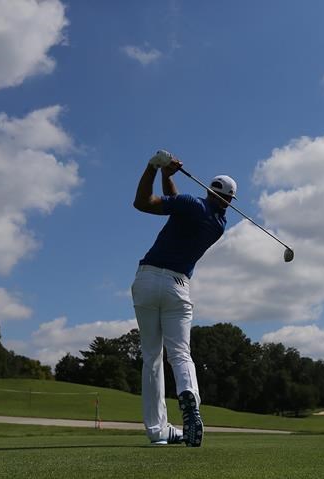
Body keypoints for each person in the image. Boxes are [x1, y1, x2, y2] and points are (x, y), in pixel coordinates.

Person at [131, 149, 237, 447]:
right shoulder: (218, 225)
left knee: (152, 357)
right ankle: (189, 397)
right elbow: (179, 205)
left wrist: (153, 166)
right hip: (179, 287)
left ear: (207, 190)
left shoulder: (191, 204)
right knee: (180, 354)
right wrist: (169, 176)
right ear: (228, 201)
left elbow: (142, 203)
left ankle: (157, 432)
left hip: (148, 280)